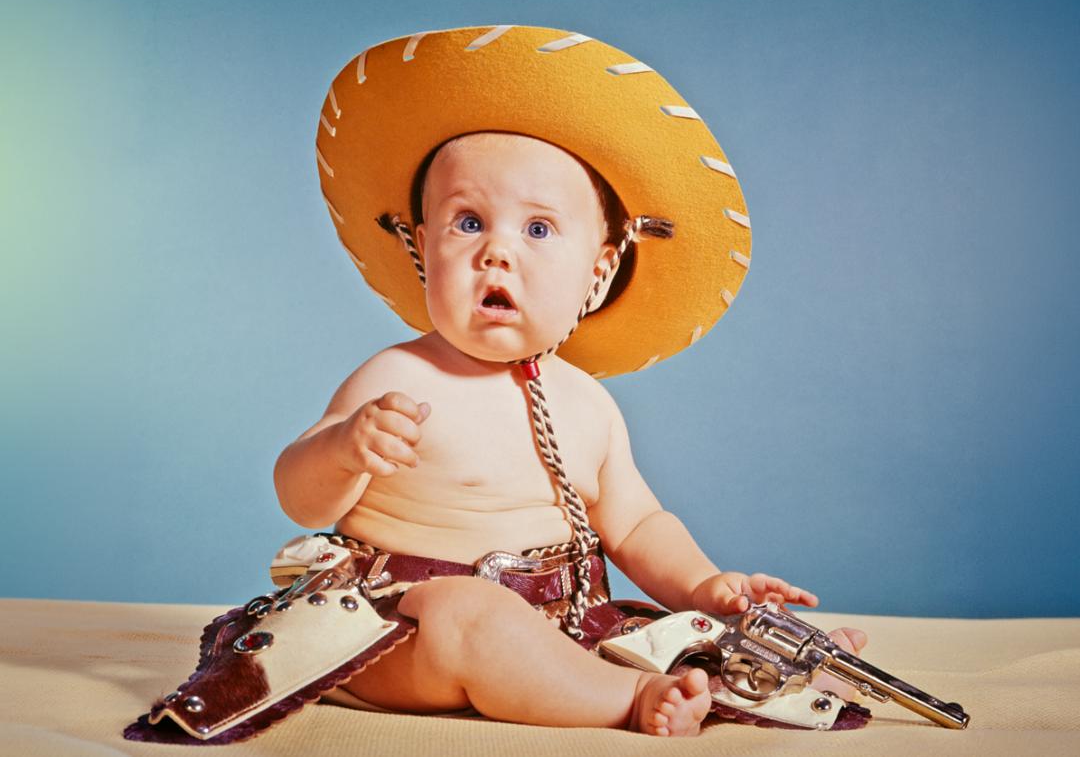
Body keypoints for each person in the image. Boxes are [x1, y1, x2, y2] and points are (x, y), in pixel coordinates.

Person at [274, 101, 868, 734]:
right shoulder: (396, 378)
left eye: (537, 229)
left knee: (667, 631)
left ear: (598, 272)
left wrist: (706, 588)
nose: (496, 252)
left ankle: (779, 671)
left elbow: (636, 526)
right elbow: (301, 501)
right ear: (423, 248)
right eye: (468, 223)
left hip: (562, 627)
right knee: (470, 615)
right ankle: (631, 699)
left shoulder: (588, 404)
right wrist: (342, 450)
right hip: (398, 637)